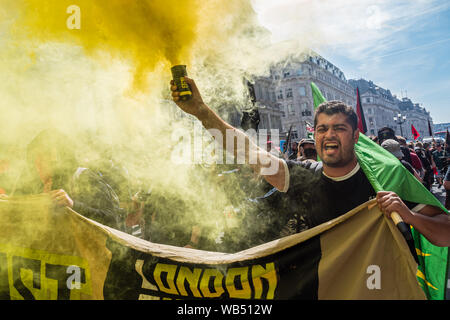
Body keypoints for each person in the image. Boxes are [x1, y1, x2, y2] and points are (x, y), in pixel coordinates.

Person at [170, 77, 450, 247]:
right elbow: (249, 152)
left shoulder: (386, 179)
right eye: (322, 129)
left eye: (339, 128)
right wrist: (201, 112)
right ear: (314, 136)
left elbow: (446, 231)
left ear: (355, 136)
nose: (329, 135)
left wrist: (410, 217)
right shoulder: (304, 176)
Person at [13, 129, 125, 230]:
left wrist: (73, 205)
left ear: (57, 159)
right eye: (35, 158)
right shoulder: (32, 182)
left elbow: (111, 220)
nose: (37, 165)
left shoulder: (82, 178)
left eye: (43, 157)